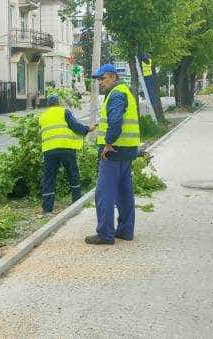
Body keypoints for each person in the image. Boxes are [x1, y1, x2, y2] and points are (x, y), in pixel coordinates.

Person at [86, 64, 140, 245]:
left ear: (113, 77)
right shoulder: (125, 91)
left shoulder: (116, 94)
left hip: (113, 151)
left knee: (104, 193)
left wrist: (108, 143)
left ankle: (105, 234)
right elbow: (116, 119)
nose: (100, 82)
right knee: (124, 193)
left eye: (102, 78)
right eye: (99, 79)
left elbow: (116, 120)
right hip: (127, 150)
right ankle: (125, 231)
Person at [39, 95, 95, 213]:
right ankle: (76, 203)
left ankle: (47, 208)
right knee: (72, 174)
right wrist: (88, 129)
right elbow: (75, 126)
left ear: (48, 105)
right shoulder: (64, 111)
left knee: (49, 178)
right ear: (58, 103)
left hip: (49, 150)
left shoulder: (42, 116)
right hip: (66, 148)